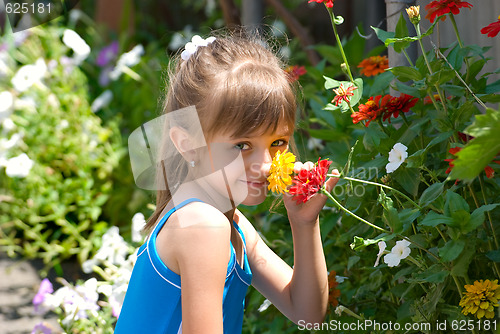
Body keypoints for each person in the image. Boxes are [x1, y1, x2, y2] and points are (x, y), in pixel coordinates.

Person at [115, 32, 340, 334]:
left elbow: (307, 314)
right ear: (187, 144)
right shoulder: (203, 225)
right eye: (242, 145)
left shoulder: (228, 221)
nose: (266, 164)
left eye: (278, 142)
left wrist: (304, 224)